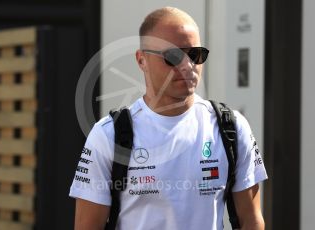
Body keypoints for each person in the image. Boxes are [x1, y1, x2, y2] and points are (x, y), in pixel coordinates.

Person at [70, 6, 268, 230]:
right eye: (173, 56)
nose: (187, 66)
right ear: (141, 59)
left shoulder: (231, 127)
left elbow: (251, 220)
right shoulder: (108, 135)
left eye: (195, 55)